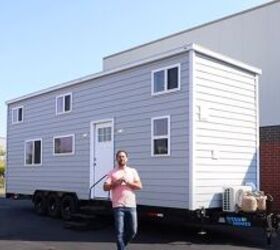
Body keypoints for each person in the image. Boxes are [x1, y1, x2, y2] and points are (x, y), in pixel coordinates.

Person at [103, 150, 143, 250]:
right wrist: (116, 182)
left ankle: (121, 247)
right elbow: (105, 187)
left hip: (131, 205)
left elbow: (139, 186)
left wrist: (128, 182)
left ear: (127, 158)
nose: (121, 158)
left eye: (123, 156)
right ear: (116, 159)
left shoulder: (132, 171)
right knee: (119, 232)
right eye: (119, 156)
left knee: (133, 231)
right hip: (118, 206)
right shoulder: (112, 172)